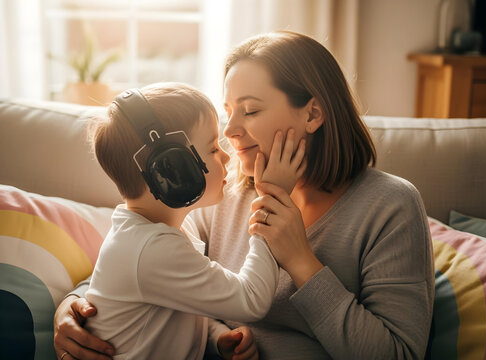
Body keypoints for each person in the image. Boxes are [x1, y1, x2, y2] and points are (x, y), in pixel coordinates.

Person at [54, 31, 434, 359]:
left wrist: (302, 262)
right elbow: (141, 264)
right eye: (228, 111)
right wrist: (73, 309)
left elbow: (397, 354)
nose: (230, 131)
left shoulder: (390, 206)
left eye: (250, 111)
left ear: (313, 114)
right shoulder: (220, 193)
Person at [56, 82, 306, 360]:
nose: (226, 156)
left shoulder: (165, 229)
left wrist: (216, 335)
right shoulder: (153, 248)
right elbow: (250, 300)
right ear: (172, 169)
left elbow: (175, 307)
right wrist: (272, 203)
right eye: (212, 149)